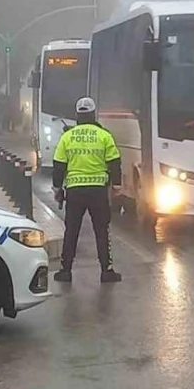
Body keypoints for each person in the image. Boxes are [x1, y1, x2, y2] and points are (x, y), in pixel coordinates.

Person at [52, 96, 122, 284]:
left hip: (74, 192)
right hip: (98, 191)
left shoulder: (67, 137)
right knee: (101, 230)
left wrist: (57, 188)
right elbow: (114, 161)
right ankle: (106, 271)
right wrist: (116, 185)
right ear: (93, 114)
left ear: (77, 115)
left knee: (71, 231)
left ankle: (65, 271)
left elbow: (58, 164)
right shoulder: (104, 135)